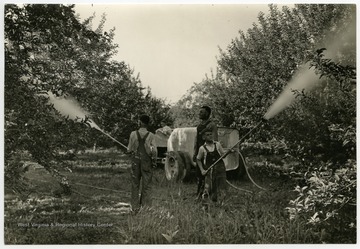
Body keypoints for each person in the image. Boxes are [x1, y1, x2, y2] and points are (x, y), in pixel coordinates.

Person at [127, 114, 157, 214]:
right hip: (147, 162)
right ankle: (146, 208)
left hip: (135, 161)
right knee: (147, 185)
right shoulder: (152, 135)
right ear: (148, 123)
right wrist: (154, 161)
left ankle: (134, 208)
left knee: (135, 184)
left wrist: (130, 152)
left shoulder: (133, 134)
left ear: (140, 122)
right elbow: (154, 151)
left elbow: (129, 149)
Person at [196, 130, 227, 207]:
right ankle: (205, 205)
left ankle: (221, 204)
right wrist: (202, 170)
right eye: (207, 134)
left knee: (222, 187)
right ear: (204, 137)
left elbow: (223, 155)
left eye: (211, 134)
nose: (210, 136)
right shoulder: (202, 148)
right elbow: (198, 159)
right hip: (209, 171)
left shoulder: (217, 144)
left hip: (220, 169)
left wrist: (228, 152)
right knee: (208, 188)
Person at [193, 105, 218, 200]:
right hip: (200, 153)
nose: (199, 114)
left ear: (207, 113)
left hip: (209, 153)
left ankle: (209, 194)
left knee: (209, 174)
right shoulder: (199, 126)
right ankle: (199, 193)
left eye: (202, 112)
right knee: (199, 174)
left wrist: (214, 152)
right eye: (199, 112)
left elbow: (215, 140)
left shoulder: (212, 125)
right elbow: (196, 140)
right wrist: (194, 152)